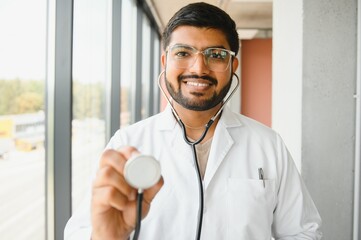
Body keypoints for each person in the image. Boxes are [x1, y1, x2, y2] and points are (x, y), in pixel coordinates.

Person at [64, 2, 322, 239]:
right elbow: (80, 231)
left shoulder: (268, 144)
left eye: (216, 55)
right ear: (165, 61)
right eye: (183, 53)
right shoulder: (128, 143)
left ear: (233, 66)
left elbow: (304, 231)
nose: (199, 68)